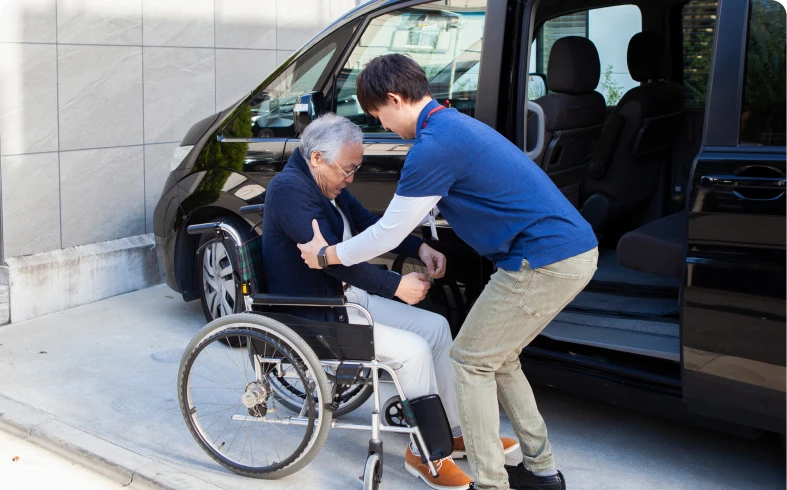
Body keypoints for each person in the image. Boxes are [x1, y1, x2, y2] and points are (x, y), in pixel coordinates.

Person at [297, 54, 599, 490]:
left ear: (395, 99)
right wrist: (423, 244)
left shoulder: (433, 146)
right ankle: (543, 472)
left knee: (469, 362)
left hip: (543, 260)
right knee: (498, 358)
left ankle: (491, 483)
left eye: (379, 115)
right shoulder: (451, 124)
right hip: (561, 251)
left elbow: (384, 234)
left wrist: (328, 257)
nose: (382, 126)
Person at [262, 113, 518, 490]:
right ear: (317, 158)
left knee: (436, 328)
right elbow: (332, 265)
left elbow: (369, 225)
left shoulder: (325, 183)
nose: (350, 179)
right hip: (314, 313)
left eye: (355, 169)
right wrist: (394, 285)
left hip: (344, 300)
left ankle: (455, 432)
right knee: (412, 350)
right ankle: (427, 453)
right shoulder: (290, 191)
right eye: (347, 170)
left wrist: (420, 246)